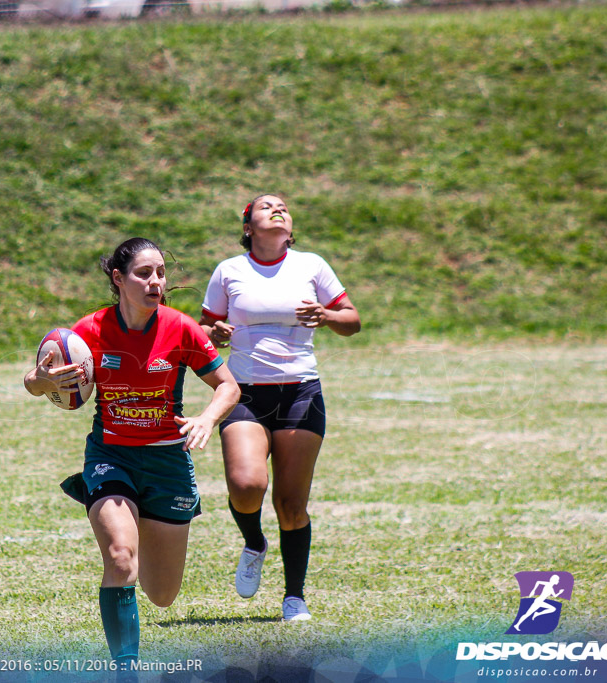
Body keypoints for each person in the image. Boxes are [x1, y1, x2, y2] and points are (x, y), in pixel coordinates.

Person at [24, 237, 240, 670]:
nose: (155, 281)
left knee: (162, 594)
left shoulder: (181, 328)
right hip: (112, 455)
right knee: (122, 557)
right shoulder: (88, 331)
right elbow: (36, 381)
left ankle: (141, 511)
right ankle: (126, 669)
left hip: (167, 462)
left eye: (160, 272)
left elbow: (229, 387)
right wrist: (40, 379)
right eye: (144, 273)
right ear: (119, 279)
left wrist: (207, 419)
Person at [198, 194, 361, 622]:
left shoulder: (312, 265)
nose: (277, 209)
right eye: (266, 205)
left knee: (291, 505)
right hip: (245, 393)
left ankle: (294, 598)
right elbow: (201, 331)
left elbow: (353, 320)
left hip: (301, 394)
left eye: (283, 206)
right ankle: (254, 542)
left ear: (290, 226)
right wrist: (213, 330)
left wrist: (325, 315)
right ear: (247, 226)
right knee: (247, 485)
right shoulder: (229, 270)